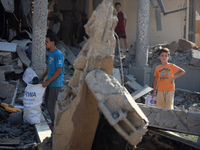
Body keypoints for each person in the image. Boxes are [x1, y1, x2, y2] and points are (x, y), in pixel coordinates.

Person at [39, 32, 64, 127]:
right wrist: (42, 77)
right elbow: (49, 67)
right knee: (47, 102)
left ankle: (56, 126)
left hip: (55, 83)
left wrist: (48, 81)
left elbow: (58, 71)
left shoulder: (58, 54)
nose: (45, 43)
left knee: (51, 105)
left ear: (52, 43)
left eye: (47, 41)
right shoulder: (50, 52)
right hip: (50, 82)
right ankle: (54, 123)